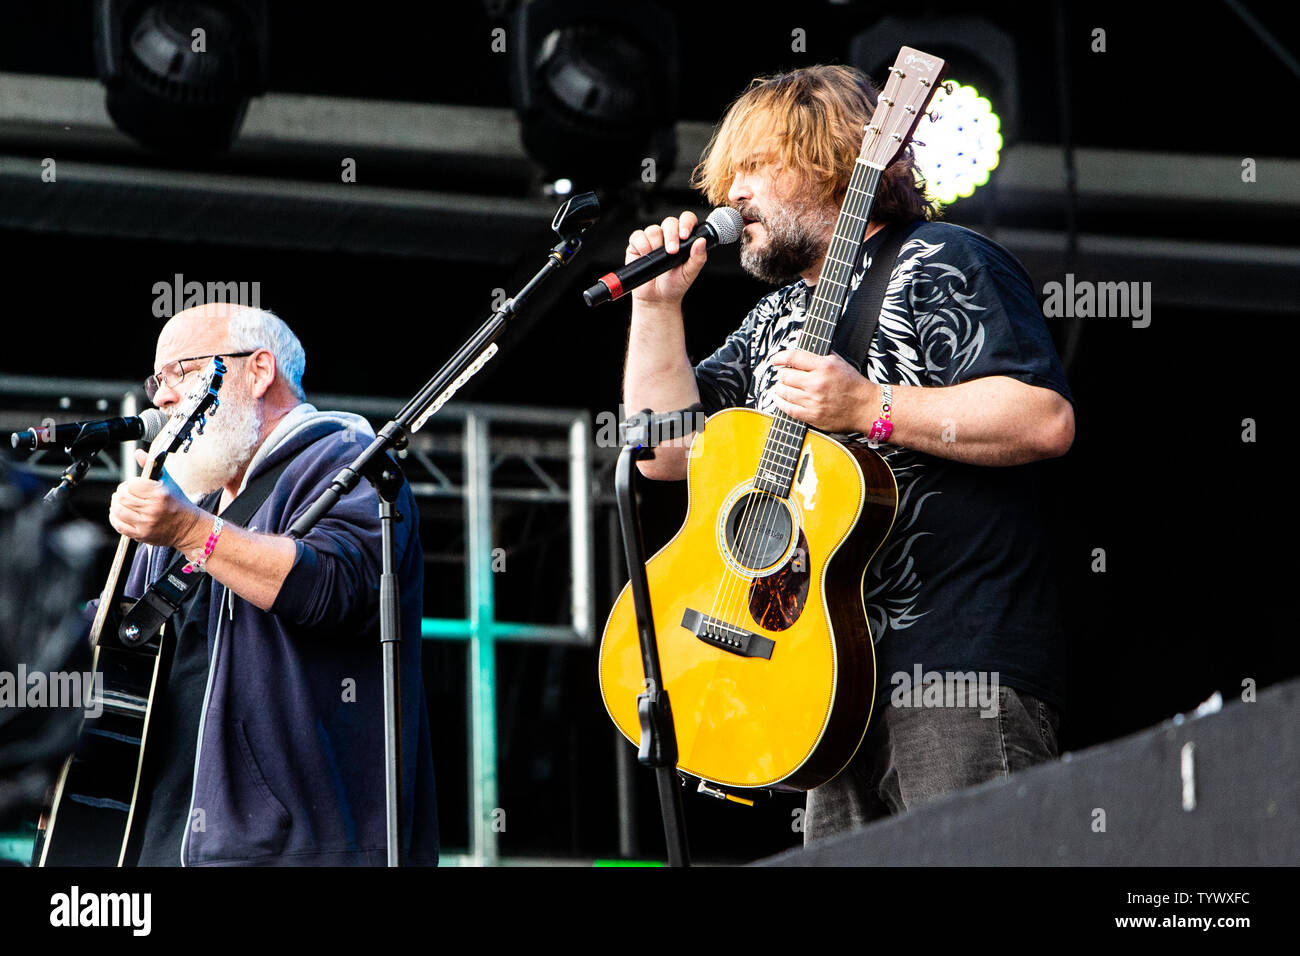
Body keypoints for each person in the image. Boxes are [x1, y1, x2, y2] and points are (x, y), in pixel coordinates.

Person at [621, 65, 1075, 843]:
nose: (732, 195)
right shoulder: (774, 317)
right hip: (817, 695)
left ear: (832, 161)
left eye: (756, 167)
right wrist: (657, 309)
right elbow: (663, 455)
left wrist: (870, 407)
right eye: (728, 176)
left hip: (953, 679)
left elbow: (1043, 419)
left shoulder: (945, 258)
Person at [106, 302, 438, 865]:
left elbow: (335, 585)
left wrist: (189, 529)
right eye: (155, 381)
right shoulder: (193, 501)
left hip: (291, 849)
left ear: (258, 371)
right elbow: (121, 641)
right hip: (159, 839)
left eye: (181, 373)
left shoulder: (346, 461)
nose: (160, 398)